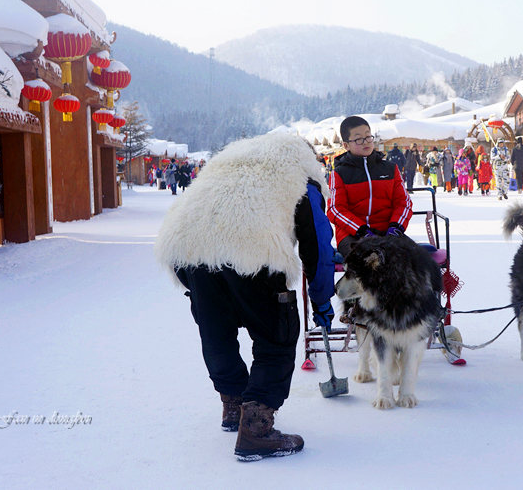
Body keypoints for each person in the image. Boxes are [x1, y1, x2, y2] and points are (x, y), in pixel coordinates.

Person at [154, 132, 335, 461]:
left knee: (216, 331)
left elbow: (182, 218)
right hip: (252, 249)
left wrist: (198, 290)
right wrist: (322, 299)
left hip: (188, 251)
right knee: (276, 335)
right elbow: (319, 244)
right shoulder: (301, 174)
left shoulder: (227, 164)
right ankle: (256, 429)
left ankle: (234, 406)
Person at [328, 116, 413, 258]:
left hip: (387, 232)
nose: (365, 142)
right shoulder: (339, 173)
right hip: (353, 235)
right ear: (346, 145)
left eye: (368, 137)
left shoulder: (390, 169)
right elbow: (336, 210)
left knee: (412, 259)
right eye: (358, 139)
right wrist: (362, 231)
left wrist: (395, 228)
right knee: (368, 261)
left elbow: (403, 202)